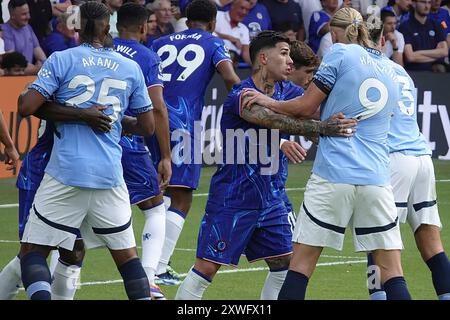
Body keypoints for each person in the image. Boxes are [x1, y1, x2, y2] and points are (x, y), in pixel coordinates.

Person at [243, 7, 412, 300]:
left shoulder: (340, 54)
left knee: (301, 265)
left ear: (334, 33)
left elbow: (304, 108)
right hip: (376, 179)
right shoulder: (390, 68)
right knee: (392, 270)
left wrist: (265, 101)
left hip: (334, 174)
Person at [175, 30, 356, 300]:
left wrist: (330, 118)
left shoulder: (288, 91)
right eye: (283, 54)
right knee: (207, 267)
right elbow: (273, 120)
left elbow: (313, 111)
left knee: (285, 265)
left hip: (272, 198)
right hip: (234, 198)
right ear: (263, 58)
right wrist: (320, 128)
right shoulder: (241, 94)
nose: (289, 62)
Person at [16, 1, 154, 300]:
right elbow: (148, 126)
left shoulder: (62, 59)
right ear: (109, 27)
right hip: (110, 177)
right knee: (129, 260)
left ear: (76, 27)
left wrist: (80, 113)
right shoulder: (130, 67)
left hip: (66, 172)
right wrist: (115, 119)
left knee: (32, 253)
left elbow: (26, 107)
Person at [147, 0, 240, 286]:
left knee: (158, 191)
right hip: (183, 124)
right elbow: (230, 78)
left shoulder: (158, 42)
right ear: (213, 22)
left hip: (151, 118)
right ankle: (158, 266)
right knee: (182, 195)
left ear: (187, 21)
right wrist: (248, 101)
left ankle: (153, 261)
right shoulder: (212, 42)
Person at [365, 21, 450, 301]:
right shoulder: (401, 72)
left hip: (393, 160)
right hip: (421, 158)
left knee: (379, 243)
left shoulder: (367, 71)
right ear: (383, 43)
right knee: (432, 243)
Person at [114, 2, 171, 300]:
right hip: (128, 142)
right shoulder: (145, 56)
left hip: (93, 144)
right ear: (141, 26)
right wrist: (165, 155)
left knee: (74, 223)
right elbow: (157, 108)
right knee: (155, 206)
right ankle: (148, 277)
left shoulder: (100, 49)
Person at [399, 0, 448, 72]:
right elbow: (410, 57)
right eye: (423, 2)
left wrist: (418, 53)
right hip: (414, 71)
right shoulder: (405, 26)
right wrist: (436, 55)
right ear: (414, 4)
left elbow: (444, 52)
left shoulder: (435, 25)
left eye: (429, 2)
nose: (427, 6)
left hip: (435, 71)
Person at [1, 0, 47, 75]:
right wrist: (37, 69)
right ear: (12, 15)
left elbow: (40, 54)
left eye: (28, 13)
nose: (28, 17)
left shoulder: (28, 28)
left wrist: (44, 65)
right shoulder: (5, 31)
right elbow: (14, 64)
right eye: (24, 14)